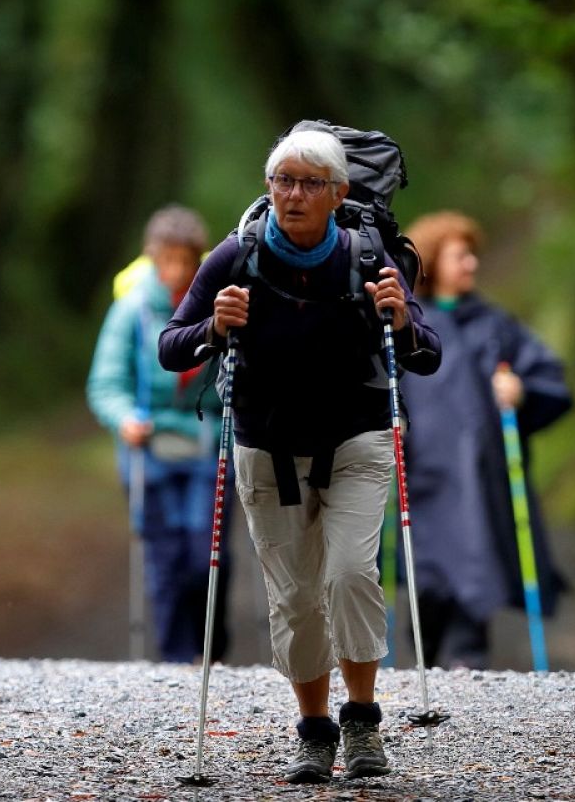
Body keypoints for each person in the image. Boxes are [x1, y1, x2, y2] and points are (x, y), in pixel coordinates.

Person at [159, 128, 441, 784]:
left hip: (357, 437)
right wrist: (213, 327)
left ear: (339, 194)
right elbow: (172, 346)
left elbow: (427, 353)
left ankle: (362, 721)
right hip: (268, 446)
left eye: (310, 183)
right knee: (294, 600)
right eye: (283, 180)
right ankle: (313, 730)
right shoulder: (237, 256)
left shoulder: (369, 256)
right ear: (268, 187)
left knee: (348, 575)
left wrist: (400, 320)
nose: (292, 194)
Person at [399, 211, 572, 669]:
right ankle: (429, 650)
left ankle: (466, 663)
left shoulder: (495, 325)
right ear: (432, 261)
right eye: (460, 255)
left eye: (472, 254)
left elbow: (549, 380)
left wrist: (522, 390)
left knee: (475, 568)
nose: (471, 263)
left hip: (480, 476)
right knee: (430, 582)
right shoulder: (405, 327)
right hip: (424, 477)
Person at [86, 206, 230, 664]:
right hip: (148, 447)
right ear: (152, 257)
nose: (175, 272)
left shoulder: (217, 305)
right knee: (165, 555)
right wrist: (124, 416)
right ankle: (176, 654)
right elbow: (106, 382)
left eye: (184, 261)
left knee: (203, 549)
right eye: (166, 260)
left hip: (206, 441)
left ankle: (211, 645)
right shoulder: (133, 309)